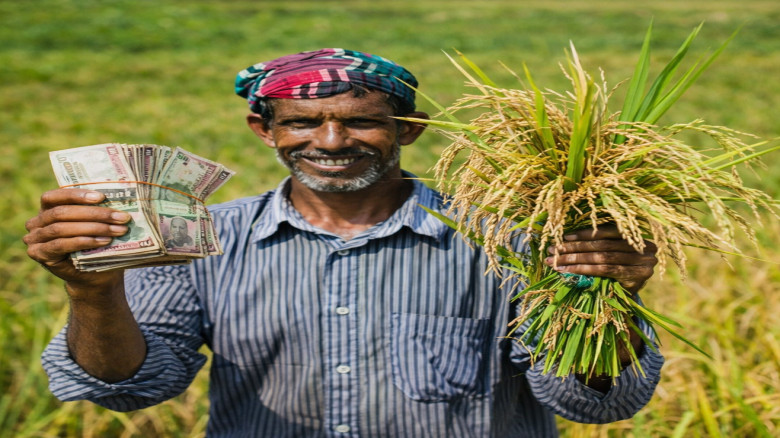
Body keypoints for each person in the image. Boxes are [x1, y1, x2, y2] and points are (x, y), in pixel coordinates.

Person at [24, 48, 663, 437]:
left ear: (409, 129)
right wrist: (92, 292)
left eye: (361, 122)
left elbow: (595, 403)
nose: (330, 142)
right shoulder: (200, 240)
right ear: (264, 130)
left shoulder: (512, 241)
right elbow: (129, 389)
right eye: (302, 122)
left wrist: (605, 296)